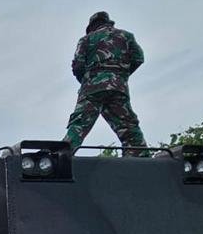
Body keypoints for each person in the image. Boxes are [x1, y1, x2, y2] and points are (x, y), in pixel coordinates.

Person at [63, 11, 148, 153]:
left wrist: (86, 81)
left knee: (80, 123)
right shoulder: (127, 36)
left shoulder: (86, 39)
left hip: (92, 89)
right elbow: (138, 58)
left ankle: (63, 156)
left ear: (92, 26)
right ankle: (140, 157)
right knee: (128, 125)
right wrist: (120, 75)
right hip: (118, 88)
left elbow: (78, 66)